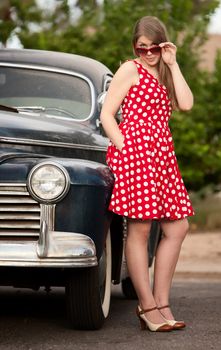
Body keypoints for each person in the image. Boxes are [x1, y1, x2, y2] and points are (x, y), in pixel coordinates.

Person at [100, 16, 194, 332]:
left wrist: (174, 62)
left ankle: (161, 302)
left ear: (162, 46)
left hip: (162, 156)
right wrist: (126, 149)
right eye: (142, 48)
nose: (148, 53)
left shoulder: (165, 70)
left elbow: (186, 103)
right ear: (135, 47)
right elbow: (106, 115)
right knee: (139, 230)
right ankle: (148, 305)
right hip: (135, 155)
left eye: (154, 48)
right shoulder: (130, 69)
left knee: (177, 226)